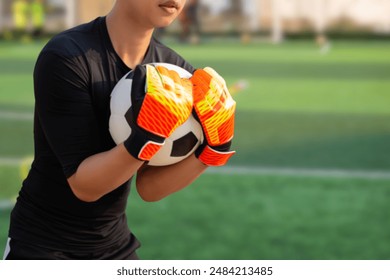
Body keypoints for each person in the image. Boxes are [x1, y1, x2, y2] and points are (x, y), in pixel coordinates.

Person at [3, 0, 236, 260]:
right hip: (42, 246)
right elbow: (85, 187)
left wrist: (213, 151)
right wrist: (145, 137)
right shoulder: (66, 56)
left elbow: (150, 188)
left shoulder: (174, 73)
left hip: (114, 245)